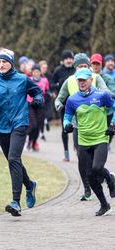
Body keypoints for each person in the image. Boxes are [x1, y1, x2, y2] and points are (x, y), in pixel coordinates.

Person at [0, 49, 42, 216]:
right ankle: (29, 185)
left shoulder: (22, 79)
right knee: (15, 161)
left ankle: (15, 201)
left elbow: (37, 92)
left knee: (13, 159)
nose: (0, 64)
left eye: (4, 61)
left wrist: (37, 100)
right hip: (1, 126)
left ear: (11, 63)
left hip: (20, 123)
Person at [55, 53, 112, 201]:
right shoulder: (69, 83)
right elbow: (60, 101)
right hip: (78, 127)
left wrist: (111, 121)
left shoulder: (97, 81)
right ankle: (88, 189)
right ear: (75, 68)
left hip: (98, 127)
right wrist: (60, 109)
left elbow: (108, 95)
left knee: (96, 166)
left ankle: (107, 178)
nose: (83, 68)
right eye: (79, 66)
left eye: (85, 66)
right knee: (83, 162)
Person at [63, 68, 115, 216]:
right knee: (89, 175)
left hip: (100, 138)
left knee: (97, 168)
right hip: (84, 141)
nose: (82, 82)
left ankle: (110, 178)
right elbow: (67, 116)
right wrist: (66, 124)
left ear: (91, 80)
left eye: (84, 80)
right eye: (79, 80)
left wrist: (113, 124)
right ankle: (104, 205)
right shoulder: (72, 99)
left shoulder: (102, 95)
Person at [52, 50, 75, 161]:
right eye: (66, 58)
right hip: (64, 103)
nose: (69, 60)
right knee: (65, 128)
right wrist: (58, 84)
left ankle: (79, 149)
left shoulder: (76, 69)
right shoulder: (58, 70)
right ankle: (66, 152)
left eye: (70, 58)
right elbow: (52, 84)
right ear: (63, 60)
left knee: (77, 128)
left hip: (77, 102)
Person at [91, 53, 115, 147]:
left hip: (107, 111)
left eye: (98, 64)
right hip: (92, 112)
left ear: (101, 64)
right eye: (94, 64)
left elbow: (113, 93)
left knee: (108, 135)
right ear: (91, 65)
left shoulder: (107, 78)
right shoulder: (87, 78)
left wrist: (101, 93)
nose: (96, 66)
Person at [27, 64, 49, 151]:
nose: (36, 73)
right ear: (32, 73)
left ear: (40, 72)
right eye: (34, 72)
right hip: (31, 104)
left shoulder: (45, 81)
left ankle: (33, 143)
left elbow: (47, 91)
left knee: (39, 126)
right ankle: (29, 140)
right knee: (34, 125)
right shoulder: (29, 80)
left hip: (40, 105)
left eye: (38, 72)